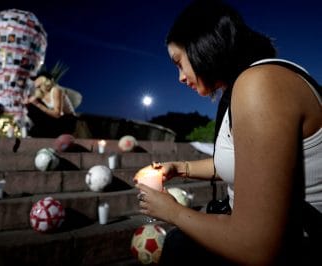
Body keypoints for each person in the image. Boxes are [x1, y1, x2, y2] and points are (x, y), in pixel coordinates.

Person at [134, 0, 321, 265]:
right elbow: (251, 163)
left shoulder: (259, 85)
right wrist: (180, 167)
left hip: (301, 245)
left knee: (179, 246)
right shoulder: (241, 87)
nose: (180, 77)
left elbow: (258, 248)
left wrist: (173, 212)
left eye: (179, 62)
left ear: (203, 47)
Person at [23, 71, 80, 137]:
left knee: (37, 129)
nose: (35, 81)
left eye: (37, 79)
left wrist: (37, 104)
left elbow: (57, 114)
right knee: (31, 110)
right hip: (56, 120)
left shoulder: (56, 90)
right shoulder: (40, 93)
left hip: (68, 121)